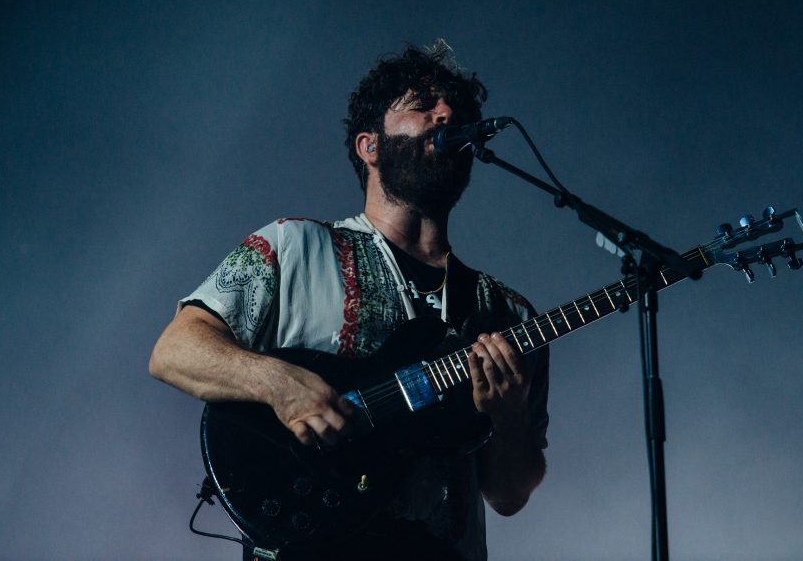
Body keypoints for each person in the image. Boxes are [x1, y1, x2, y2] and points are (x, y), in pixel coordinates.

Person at [149, 42, 548, 561]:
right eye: (422, 105)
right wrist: (280, 384)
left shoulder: (509, 315)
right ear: (369, 146)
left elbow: (509, 495)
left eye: (455, 110)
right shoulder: (292, 245)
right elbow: (174, 351)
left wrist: (509, 416)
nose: (446, 115)